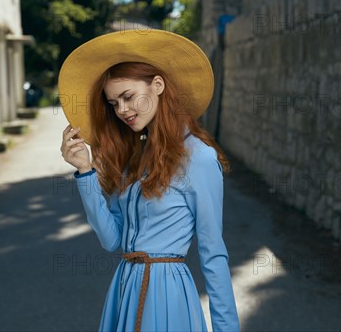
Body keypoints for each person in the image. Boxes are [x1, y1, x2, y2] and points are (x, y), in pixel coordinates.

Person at [58, 29, 239, 331]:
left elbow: (213, 253)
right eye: (113, 103)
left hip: (167, 297)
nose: (122, 111)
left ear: (157, 85)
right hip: (124, 288)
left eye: (128, 97)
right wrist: (85, 173)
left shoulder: (198, 157)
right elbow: (112, 240)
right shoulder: (133, 156)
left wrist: (227, 330)